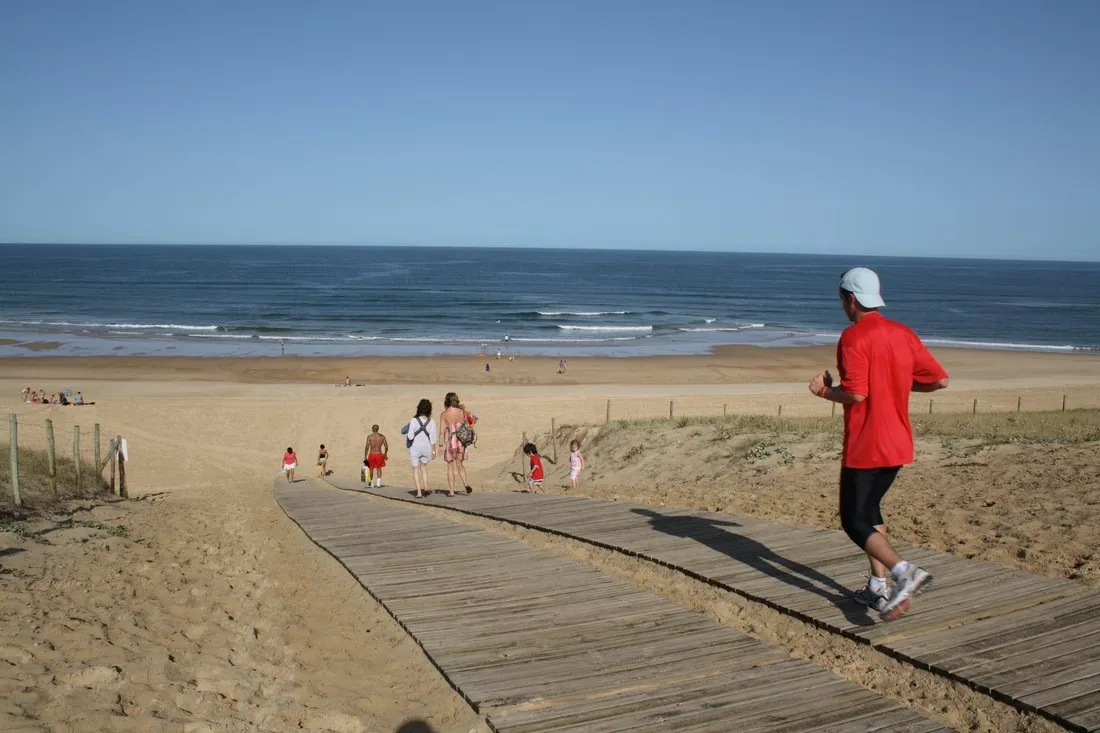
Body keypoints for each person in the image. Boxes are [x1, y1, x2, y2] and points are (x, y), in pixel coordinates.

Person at [809, 267, 949, 621]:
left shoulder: (854, 336)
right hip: (898, 442)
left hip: (866, 443)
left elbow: (855, 392)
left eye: (841, 297)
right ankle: (877, 587)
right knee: (870, 513)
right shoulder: (902, 333)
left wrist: (823, 390)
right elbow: (939, 380)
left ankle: (905, 572)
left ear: (849, 298)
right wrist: (897, 383)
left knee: (853, 521)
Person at [439, 392, 473, 495]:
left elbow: (441, 431)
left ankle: (451, 491)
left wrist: (440, 445)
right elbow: (474, 419)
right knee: (460, 464)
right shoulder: (462, 411)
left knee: (450, 466)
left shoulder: (444, 414)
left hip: (450, 441)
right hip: (461, 441)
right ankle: (466, 483)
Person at [405, 399, 438, 498]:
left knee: (415, 469)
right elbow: (433, 439)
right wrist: (433, 451)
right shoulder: (431, 422)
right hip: (427, 448)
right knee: (424, 467)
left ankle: (419, 492)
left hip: (415, 448)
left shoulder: (414, 420)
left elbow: (410, 437)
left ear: (419, 408)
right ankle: (426, 487)